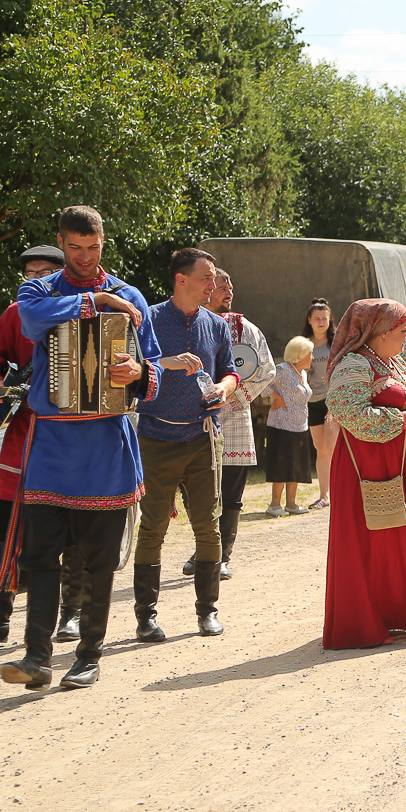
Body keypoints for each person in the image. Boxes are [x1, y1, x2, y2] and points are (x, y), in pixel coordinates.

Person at [0, 206, 162, 690]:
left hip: (106, 447)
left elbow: (153, 368)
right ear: (61, 243)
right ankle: (36, 657)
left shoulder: (131, 296)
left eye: (92, 247)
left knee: (98, 560)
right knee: (40, 556)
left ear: (103, 242)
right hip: (50, 445)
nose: (84, 256)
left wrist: (138, 373)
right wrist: (95, 301)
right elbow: (31, 321)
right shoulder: (39, 289)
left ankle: (89, 656)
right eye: (74, 247)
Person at [0, 245, 80, 643]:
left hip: (78, 440)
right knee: (6, 527)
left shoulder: (88, 311)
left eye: (44, 273)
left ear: (62, 276)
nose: (36, 280)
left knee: (74, 530)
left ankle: (72, 615)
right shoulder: (15, 313)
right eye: (30, 274)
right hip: (25, 438)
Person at [323, 299, 406, 649]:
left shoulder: (392, 362)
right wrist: (400, 421)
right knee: (377, 541)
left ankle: (405, 610)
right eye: (402, 331)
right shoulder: (354, 364)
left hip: (404, 463)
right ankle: (371, 619)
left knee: (397, 539)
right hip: (368, 467)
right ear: (380, 332)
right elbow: (347, 412)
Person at [132, 248, 239, 642]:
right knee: (153, 528)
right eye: (206, 277)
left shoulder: (217, 324)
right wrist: (165, 363)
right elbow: (129, 371)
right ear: (181, 279)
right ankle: (146, 618)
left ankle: (207, 612)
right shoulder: (149, 320)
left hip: (203, 437)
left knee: (208, 526)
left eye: (213, 278)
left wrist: (224, 388)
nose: (214, 284)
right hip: (156, 437)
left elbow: (230, 371)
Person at [200, 267, 275, 579]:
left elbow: (267, 369)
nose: (228, 291)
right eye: (222, 286)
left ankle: (222, 556)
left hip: (234, 418)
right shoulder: (192, 324)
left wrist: (236, 397)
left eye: (230, 286)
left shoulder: (247, 330)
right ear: (205, 289)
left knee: (230, 491)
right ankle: (204, 550)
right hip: (197, 419)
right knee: (199, 492)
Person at [265, 337, 316, 516]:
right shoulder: (282, 370)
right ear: (300, 355)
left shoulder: (302, 373)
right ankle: (274, 505)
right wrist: (276, 397)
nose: (312, 357)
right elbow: (261, 383)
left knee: (295, 466)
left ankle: (291, 504)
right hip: (281, 425)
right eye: (310, 353)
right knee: (281, 465)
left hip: (300, 426)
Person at [302, 298, 337, 509]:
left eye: (324, 318)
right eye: (317, 319)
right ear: (309, 320)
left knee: (332, 448)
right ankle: (324, 496)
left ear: (330, 320)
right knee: (320, 449)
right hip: (312, 401)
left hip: (332, 402)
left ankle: (340, 492)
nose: (321, 322)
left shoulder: (336, 344)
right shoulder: (304, 345)